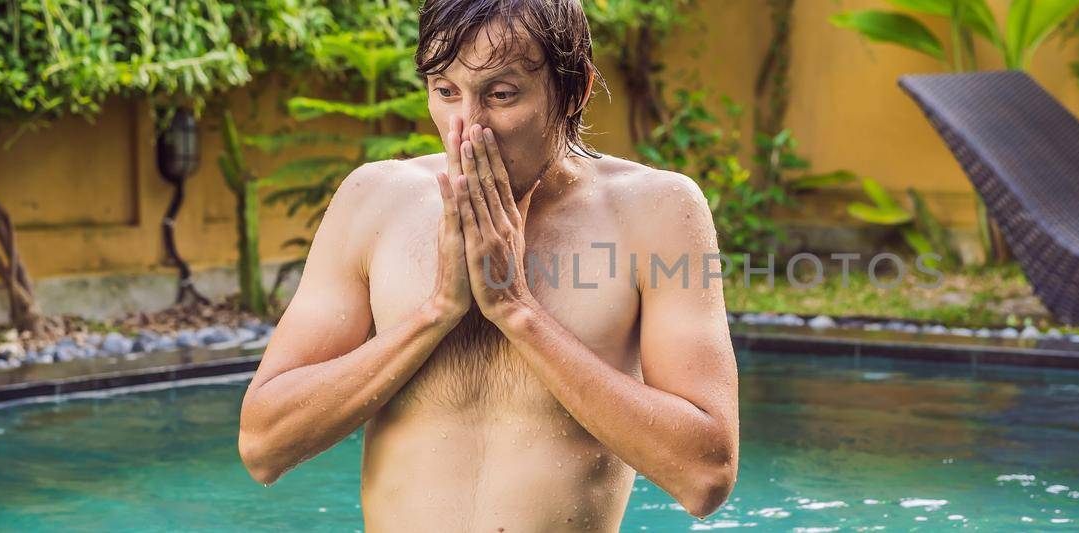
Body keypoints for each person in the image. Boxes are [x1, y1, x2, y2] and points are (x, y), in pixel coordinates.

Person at [236, 1, 740, 530]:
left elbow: (703, 476)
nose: (468, 127)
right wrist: (435, 313)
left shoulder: (656, 213)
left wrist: (516, 310)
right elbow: (263, 446)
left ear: (575, 92)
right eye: (445, 92)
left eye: (501, 95)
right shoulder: (373, 201)